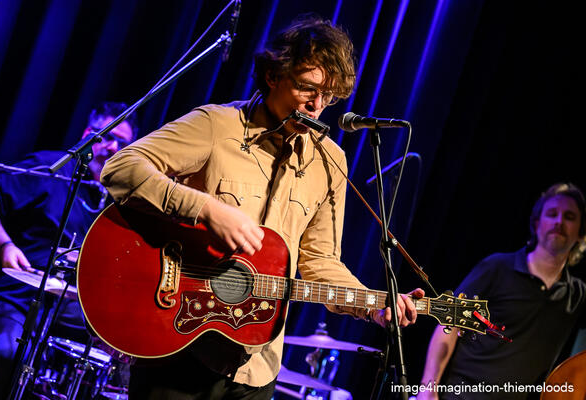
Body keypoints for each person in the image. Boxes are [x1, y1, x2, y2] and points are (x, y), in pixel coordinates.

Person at [100, 15, 424, 400]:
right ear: (273, 76)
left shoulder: (330, 161)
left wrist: (372, 306)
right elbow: (121, 168)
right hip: (179, 342)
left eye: (328, 96)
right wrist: (206, 209)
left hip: (257, 367)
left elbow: (320, 261)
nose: (317, 106)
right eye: (307, 89)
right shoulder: (217, 125)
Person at [0, 102, 137, 399]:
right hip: (22, 294)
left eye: (122, 144)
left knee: (128, 362)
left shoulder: (120, 201)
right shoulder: (51, 169)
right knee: (4, 351)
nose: (112, 148)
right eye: (106, 136)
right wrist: (5, 244)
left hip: (76, 307)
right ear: (87, 134)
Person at [418, 183, 586, 400]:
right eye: (552, 214)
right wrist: (427, 389)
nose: (559, 222)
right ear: (537, 223)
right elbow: (448, 326)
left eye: (569, 217)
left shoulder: (578, 294)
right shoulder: (497, 268)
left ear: (581, 232)